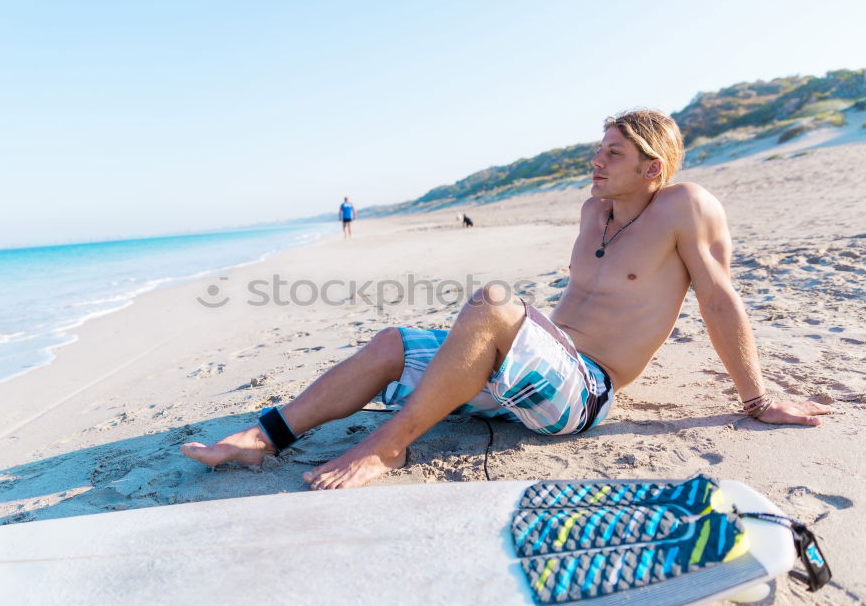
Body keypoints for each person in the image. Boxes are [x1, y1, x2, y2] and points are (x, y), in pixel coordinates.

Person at [182, 109, 833, 490]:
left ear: (653, 168)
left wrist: (757, 399)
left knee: (493, 301)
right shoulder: (591, 210)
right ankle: (266, 436)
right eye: (597, 150)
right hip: (532, 371)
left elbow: (720, 301)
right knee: (392, 344)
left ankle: (390, 442)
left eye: (612, 154)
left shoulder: (687, 208)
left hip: (583, 393)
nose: (595, 162)